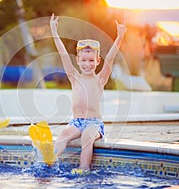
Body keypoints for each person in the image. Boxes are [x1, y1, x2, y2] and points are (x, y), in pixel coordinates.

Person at [50, 14, 127, 173]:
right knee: (64, 134)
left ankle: (83, 169)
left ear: (97, 61)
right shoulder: (74, 78)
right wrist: (54, 33)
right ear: (77, 60)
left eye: (91, 60)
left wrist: (119, 37)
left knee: (86, 136)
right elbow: (64, 55)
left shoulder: (100, 80)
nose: (87, 64)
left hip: (94, 124)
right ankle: (49, 162)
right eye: (84, 60)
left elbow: (111, 58)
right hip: (77, 122)